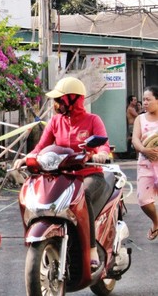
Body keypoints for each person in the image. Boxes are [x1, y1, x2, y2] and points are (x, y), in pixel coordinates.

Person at [14, 76, 110, 271]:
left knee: (85, 196)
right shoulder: (56, 122)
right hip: (64, 176)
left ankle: (91, 248)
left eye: (59, 100)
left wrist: (100, 154)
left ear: (73, 100)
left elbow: (104, 146)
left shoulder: (93, 120)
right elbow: (41, 147)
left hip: (89, 174)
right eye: (56, 100)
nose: (56, 105)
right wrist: (26, 158)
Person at [131, 86, 158, 241]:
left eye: (149, 99)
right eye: (144, 99)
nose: (145, 102)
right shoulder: (140, 119)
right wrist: (144, 150)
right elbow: (135, 138)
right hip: (145, 164)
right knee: (143, 200)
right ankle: (156, 222)